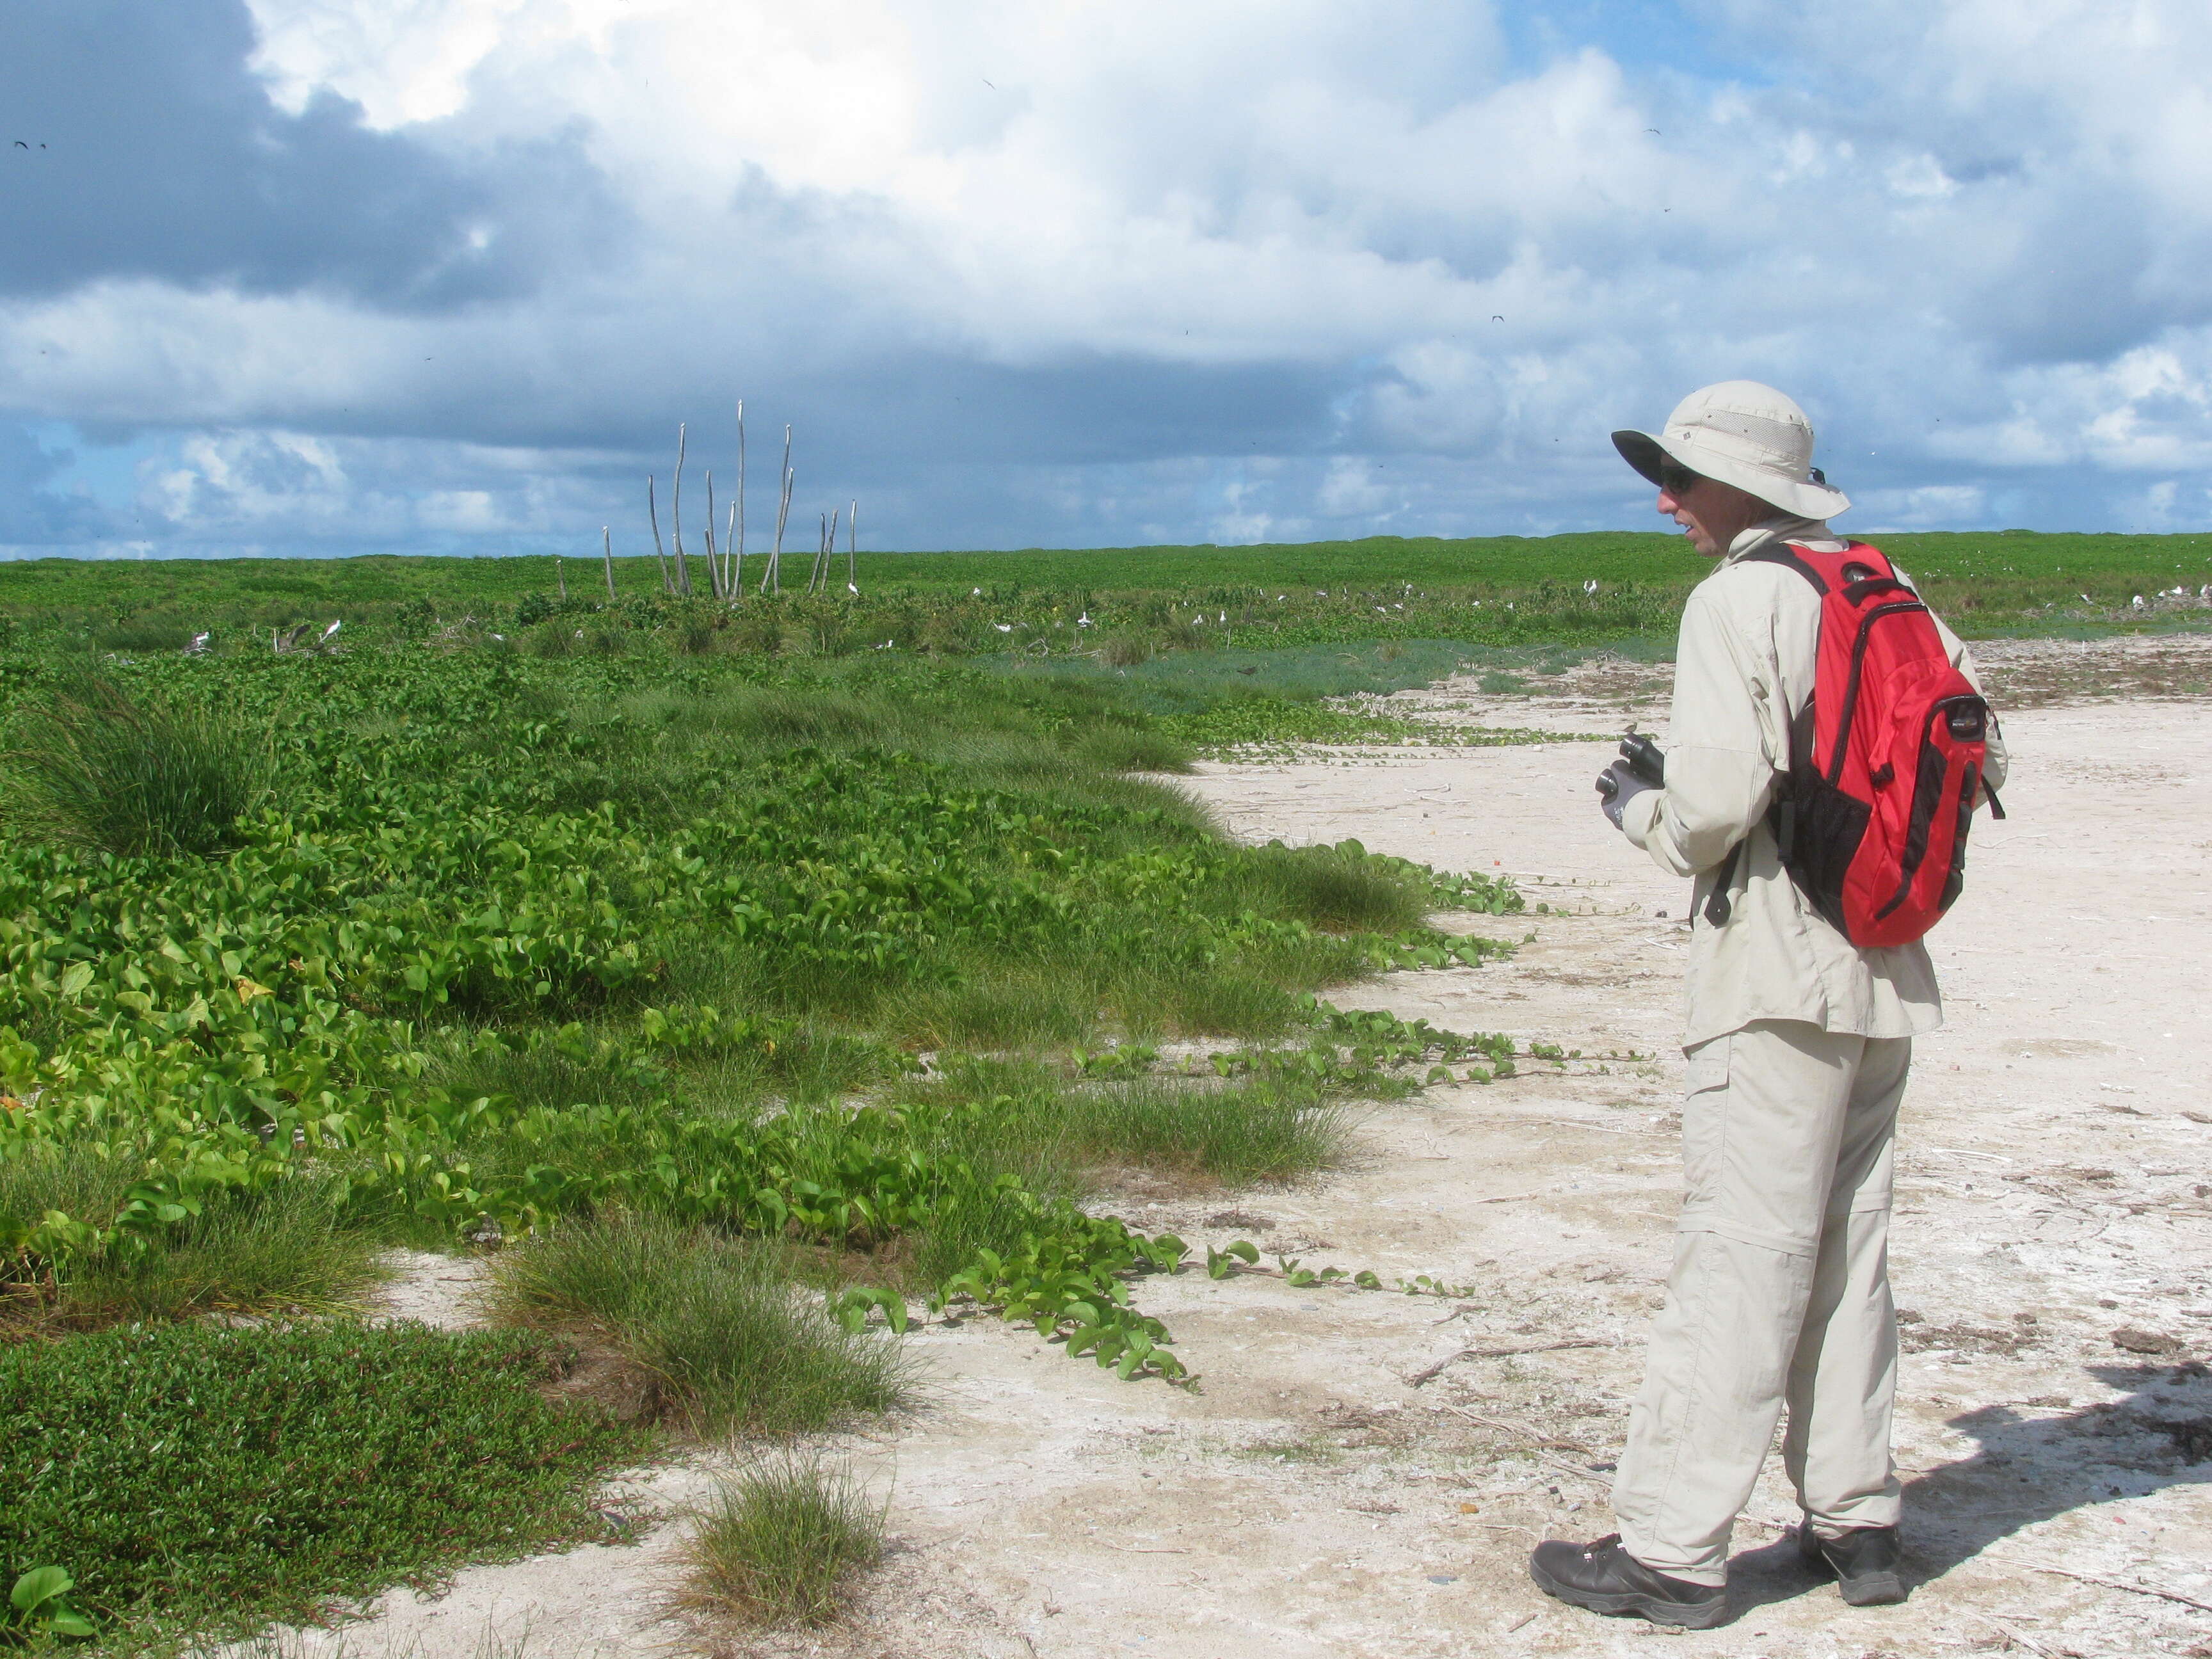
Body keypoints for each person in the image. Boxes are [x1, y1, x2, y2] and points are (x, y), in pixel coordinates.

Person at [1527, 381, 2007, 1629]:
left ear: (1744, 489)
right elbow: (1980, 753)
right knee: (1850, 1248)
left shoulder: (1735, 602)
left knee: (1740, 1259)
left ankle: (1671, 1552)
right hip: (1886, 971)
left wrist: (1637, 805)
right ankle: (1860, 1526)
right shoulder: (1889, 590)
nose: (1666, 499)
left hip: (1775, 979)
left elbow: (1710, 817)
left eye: (1683, 477)